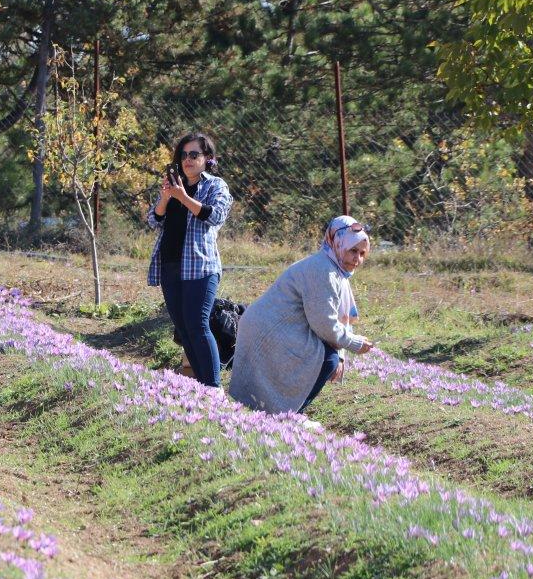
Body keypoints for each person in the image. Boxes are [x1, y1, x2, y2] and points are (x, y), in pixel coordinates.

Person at [229, 215, 375, 416]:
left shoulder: (334, 268)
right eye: (352, 251)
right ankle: (288, 415)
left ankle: (280, 413)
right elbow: (325, 325)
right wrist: (353, 344)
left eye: (361, 253)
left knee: (331, 357)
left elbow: (333, 320)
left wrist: (343, 352)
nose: (357, 259)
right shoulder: (324, 271)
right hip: (270, 330)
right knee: (327, 360)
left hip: (279, 327)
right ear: (338, 243)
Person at [146, 132, 232, 389]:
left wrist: (183, 197)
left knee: (198, 325)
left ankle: (213, 388)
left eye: (194, 154)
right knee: (183, 329)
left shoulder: (215, 186)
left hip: (201, 267)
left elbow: (215, 216)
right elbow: (154, 220)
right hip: (170, 266)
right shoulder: (175, 186)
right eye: (183, 155)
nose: (188, 159)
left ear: (208, 159)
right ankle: (200, 387)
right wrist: (166, 196)